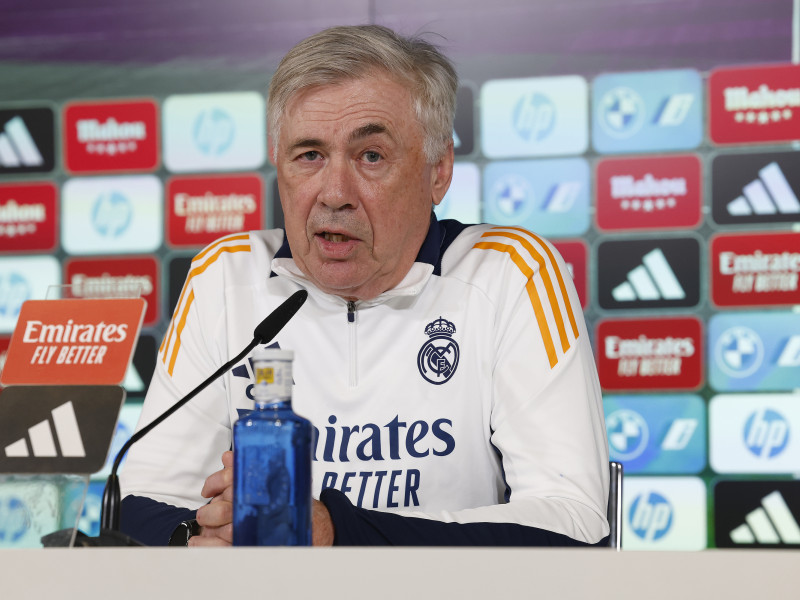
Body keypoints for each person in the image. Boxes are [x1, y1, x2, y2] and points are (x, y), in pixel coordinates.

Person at [120, 24, 609, 547]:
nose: (334, 193)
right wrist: (196, 536)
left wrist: (335, 534)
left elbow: (573, 526)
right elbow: (133, 505)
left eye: (370, 156)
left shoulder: (511, 273)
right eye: (309, 155)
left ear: (437, 170)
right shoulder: (225, 277)